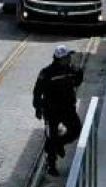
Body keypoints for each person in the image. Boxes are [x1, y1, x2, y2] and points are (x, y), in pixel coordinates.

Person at [34, 45, 84, 175]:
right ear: (60, 58)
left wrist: (79, 72)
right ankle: (51, 165)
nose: (69, 59)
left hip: (68, 108)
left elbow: (77, 81)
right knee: (51, 136)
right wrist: (38, 108)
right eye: (67, 57)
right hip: (51, 111)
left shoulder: (71, 70)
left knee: (76, 130)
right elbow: (37, 91)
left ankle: (59, 144)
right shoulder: (46, 73)